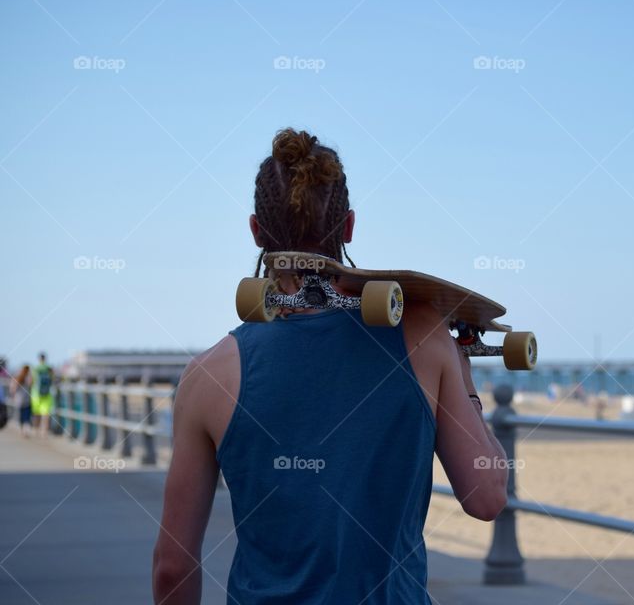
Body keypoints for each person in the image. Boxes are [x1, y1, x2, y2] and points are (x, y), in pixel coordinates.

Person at [153, 128, 508, 604]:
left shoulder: (209, 376)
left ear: (256, 230)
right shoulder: (423, 334)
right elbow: (486, 497)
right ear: (349, 228)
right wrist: (463, 378)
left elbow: (172, 567)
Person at [31, 352, 54, 438]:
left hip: (36, 394)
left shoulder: (36, 368)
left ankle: (36, 430)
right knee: (46, 414)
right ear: (45, 358)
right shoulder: (49, 368)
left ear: (39, 359)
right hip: (47, 394)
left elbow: (31, 381)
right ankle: (44, 432)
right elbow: (53, 379)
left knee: (36, 414)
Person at [11, 365, 33, 437]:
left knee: (21, 416)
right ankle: (25, 431)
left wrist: (13, 396)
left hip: (19, 400)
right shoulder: (27, 378)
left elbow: (13, 389)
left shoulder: (18, 377)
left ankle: (21, 431)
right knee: (26, 416)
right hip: (27, 400)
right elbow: (31, 385)